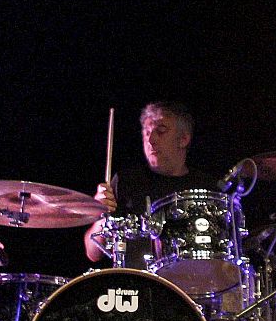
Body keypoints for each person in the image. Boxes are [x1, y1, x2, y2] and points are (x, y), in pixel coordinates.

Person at [84, 101, 219, 263]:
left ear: (183, 139)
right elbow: (92, 253)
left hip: (195, 275)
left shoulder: (207, 187)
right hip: (136, 277)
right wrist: (101, 214)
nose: (151, 139)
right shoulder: (127, 180)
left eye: (161, 131)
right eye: (147, 133)